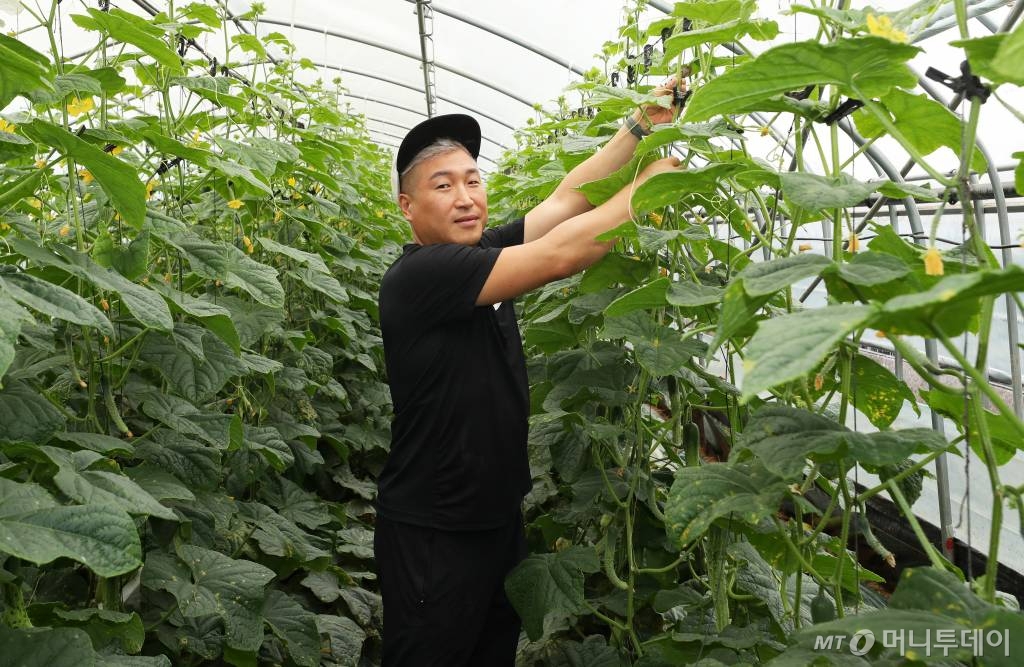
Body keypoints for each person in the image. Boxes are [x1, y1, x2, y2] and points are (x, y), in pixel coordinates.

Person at [373, 80, 682, 666]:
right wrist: (652, 185)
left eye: (472, 180)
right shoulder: (421, 276)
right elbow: (563, 253)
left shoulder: (480, 252)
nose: (465, 197)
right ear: (408, 208)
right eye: (443, 185)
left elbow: (567, 201)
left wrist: (639, 127)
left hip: (495, 519)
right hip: (435, 532)